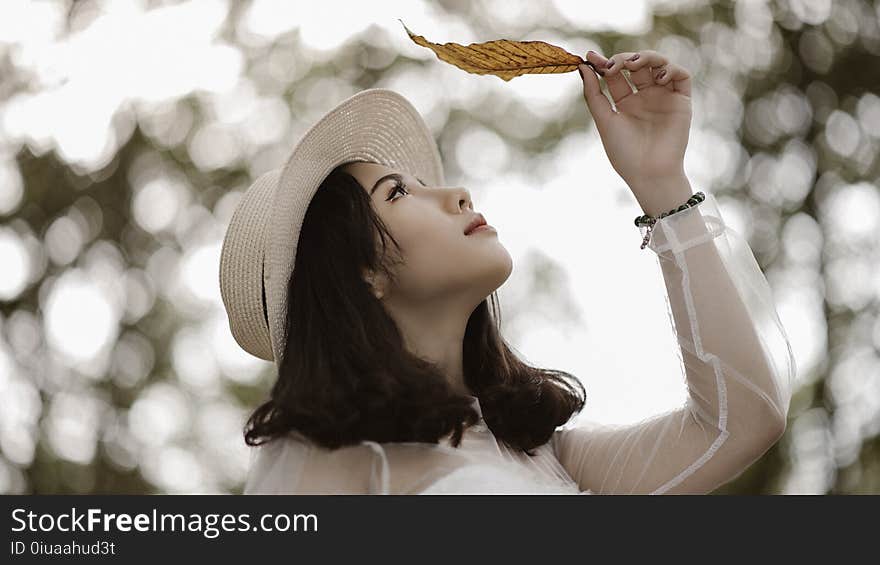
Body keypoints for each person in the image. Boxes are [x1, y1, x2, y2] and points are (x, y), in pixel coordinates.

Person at [219, 49, 796, 494]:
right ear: (360, 273)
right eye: (396, 192)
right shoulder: (320, 463)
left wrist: (661, 182)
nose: (457, 194)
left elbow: (740, 421)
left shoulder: (543, 457)